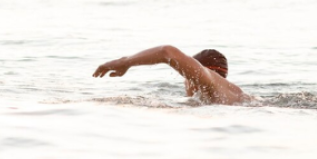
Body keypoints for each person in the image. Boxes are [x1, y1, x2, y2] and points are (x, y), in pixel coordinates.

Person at [93, 45, 250, 105]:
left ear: (191, 76)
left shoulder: (205, 82)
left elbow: (167, 52)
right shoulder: (234, 94)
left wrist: (125, 62)